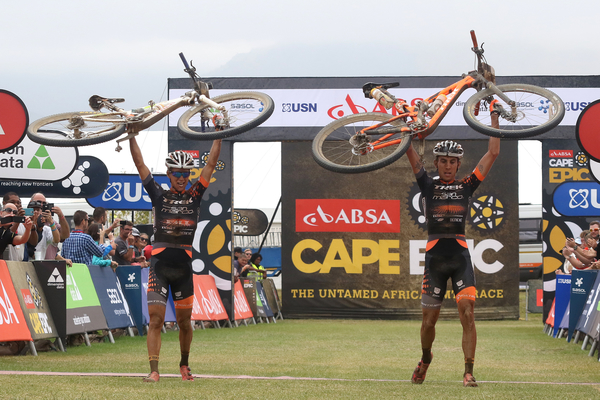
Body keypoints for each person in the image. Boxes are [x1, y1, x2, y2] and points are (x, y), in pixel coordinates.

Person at [406, 113, 500, 388]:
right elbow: (408, 149)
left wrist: (493, 115)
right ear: (436, 163)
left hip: (459, 257)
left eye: (453, 162)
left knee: (467, 312)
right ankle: (425, 359)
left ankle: (468, 371)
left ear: (459, 164)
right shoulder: (428, 183)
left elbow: (493, 151)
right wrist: (406, 125)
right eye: (443, 161)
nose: (448, 166)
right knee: (428, 322)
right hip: (435, 259)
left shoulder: (467, 185)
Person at [129, 135, 221, 383]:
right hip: (159, 267)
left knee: (184, 323)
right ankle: (154, 370)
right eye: (177, 173)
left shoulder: (195, 195)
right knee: (156, 320)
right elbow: (140, 165)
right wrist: (131, 135)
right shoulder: (158, 195)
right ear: (168, 174)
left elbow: (211, 163)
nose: (182, 177)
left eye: (186, 173)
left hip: (183, 270)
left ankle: (184, 364)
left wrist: (218, 133)